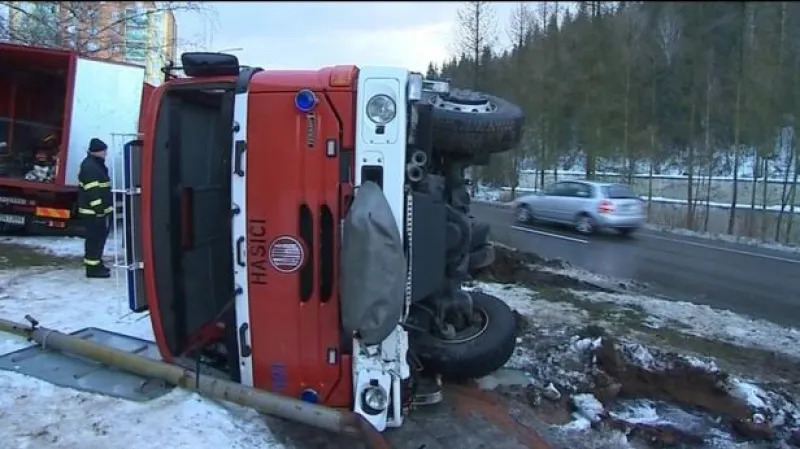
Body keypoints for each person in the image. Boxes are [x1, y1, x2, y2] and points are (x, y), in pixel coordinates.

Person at [77, 138, 113, 278]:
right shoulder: (90, 167)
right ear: (97, 152)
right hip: (93, 213)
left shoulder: (95, 164)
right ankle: (92, 269)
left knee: (98, 239)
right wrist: (99, 211)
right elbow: (93, 192)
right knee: (94, 240)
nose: (105, 154)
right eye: (104, 151)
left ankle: (96, 263)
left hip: (97, 211)